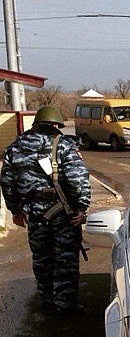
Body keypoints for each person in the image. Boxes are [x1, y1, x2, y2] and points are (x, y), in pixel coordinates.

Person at [1, 105, 91, 315]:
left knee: (42, 258)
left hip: (34, 213)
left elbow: (7, 181)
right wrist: (81, 207)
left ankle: (47, 300)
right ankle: (65, 305)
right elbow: (77, 180)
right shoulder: (64, 145)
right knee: (65, 259)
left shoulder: (15, 147)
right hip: (63, 213)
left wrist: (15, 210)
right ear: (56, 124)